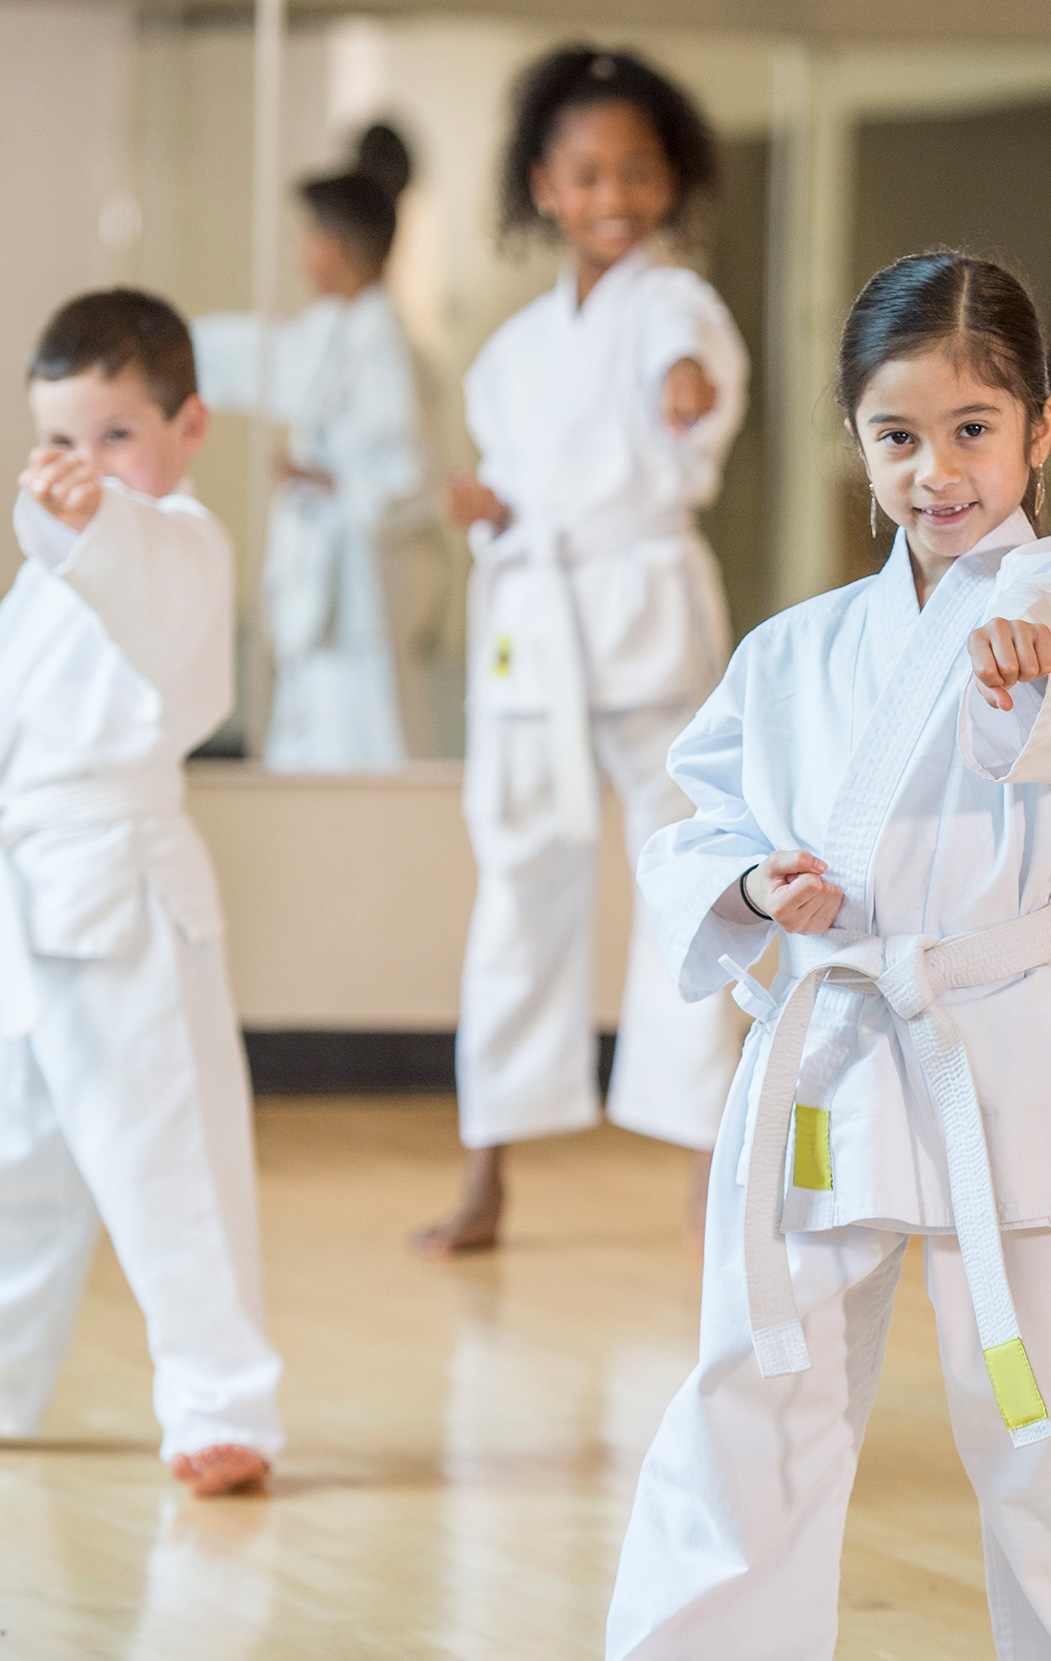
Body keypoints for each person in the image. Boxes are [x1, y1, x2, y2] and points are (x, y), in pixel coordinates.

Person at [544, 252, 1051, 1661]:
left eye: (975, 431)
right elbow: (696, 814)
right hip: (835, 1047)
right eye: (898, 436)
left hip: (989, 1049)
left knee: (1042, 1407)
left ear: (1043, 428)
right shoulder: (794, 649)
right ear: (855, 442)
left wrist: (1012, 694)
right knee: (757, 1381)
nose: (938, 473)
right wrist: (747, 877)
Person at [414, 47, 744, 1258]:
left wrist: (688, 392)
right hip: (534, 634)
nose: (615, 195)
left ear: (672, 182)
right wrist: (490, 513)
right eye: (589, 173)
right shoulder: (508, 354)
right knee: (516, 892)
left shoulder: (677, 306)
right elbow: (515, 483)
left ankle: (714, 1158)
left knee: (692, 879)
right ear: (543, 185)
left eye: (639, 172)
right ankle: (487, 1167)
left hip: (646, 619)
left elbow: (692, 371)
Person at [0, 289, 283, 1496]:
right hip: (29, 885)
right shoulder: (45, 577)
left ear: (189, 427)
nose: (87, 468)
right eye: (61, 441)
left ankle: (223, 1405)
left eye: (117, 437)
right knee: (19, 1163)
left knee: (166, 1152)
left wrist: (91, 522)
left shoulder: (181, 541)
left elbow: (140, 564)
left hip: (122, 893)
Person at [194, 123, 445, 770]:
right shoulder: (338, 329)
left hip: (360, 595)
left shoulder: (380, 337)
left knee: (364, 745)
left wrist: (327, 480)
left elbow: (407, 471)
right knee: (313, 742)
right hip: (326, 593)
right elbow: (269, 361)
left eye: (309, 239)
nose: (303, 254)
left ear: (339, 248)